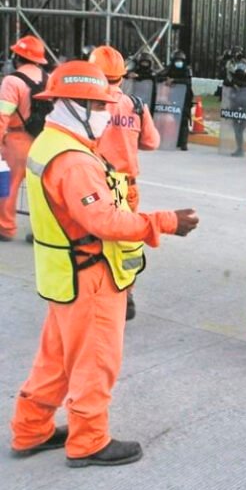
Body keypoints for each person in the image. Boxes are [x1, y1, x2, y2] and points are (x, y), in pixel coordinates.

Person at [8, 60, 199, 467]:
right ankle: (89, 441)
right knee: (96, 360)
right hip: (90, 276)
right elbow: (104, 221)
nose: (105, 114)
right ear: (75, 104)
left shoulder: (49, 142)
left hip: (65, 275)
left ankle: (31, 429)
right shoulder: (75, 161)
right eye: (98, 106)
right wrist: (167, 221)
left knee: (56, 359)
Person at [89, 45, 161, 321]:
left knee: (90, 240)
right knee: (126, 242)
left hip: (93, 184)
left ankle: (97, 295)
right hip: (126, 187)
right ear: (123, 75)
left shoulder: (85, 106)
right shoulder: (136, 106)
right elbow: (152, 142)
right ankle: (126, 294)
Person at [0, 35, 48, 242]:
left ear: (16, 57)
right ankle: (42, 232)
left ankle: (6, 228)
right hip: (44, 140)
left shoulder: (12, 81)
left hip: (17, 140)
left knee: (8, 186)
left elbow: (3, 114)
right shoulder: (49, 78)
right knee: (43, 189)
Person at [157, 50, 193, 150]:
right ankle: (175, 140)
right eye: (176, 60)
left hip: (185, 98)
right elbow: (158, 76)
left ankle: (183, 143)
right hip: (172, 97)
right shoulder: (170, 68)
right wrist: (166, 79)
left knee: (184, 120)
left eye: (180, 60)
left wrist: (175, 81)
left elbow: (187, 81)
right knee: (175, 118)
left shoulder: (187, 69)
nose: (179, 62)